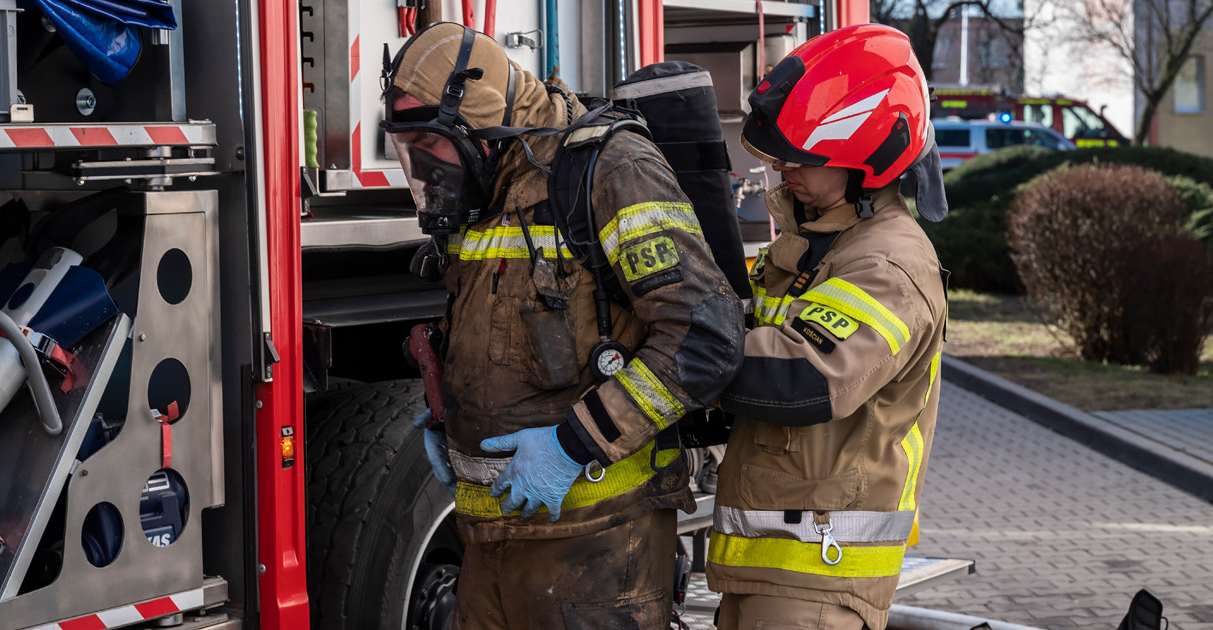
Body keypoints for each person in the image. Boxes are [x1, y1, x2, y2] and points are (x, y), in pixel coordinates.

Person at [381, 23, 745, 629]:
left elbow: (704, 336)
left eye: (428, 142)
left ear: (479, 123)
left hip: (599, 548)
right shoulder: (484, 187)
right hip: (489, 542)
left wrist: (572, 445)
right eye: (406, 145)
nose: (419, 164)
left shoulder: (610, 169)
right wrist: (454, 410)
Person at [706, 24, 950, 630]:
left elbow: (803, 377)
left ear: (870, 161)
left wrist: (676, 353)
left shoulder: (887, 264)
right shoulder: (817, 244)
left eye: (806, 157)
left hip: (818, 580)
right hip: (774, 572)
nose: (783, 165)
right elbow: (751, 329)